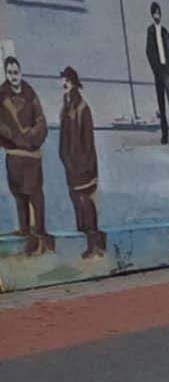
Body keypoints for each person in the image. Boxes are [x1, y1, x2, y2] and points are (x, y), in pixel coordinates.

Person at [1, 54, 53, 255]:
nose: (14, 76)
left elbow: (41, 123)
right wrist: (15, 138)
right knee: (18, 194)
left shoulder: (31, 95)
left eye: (16, 72)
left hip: (31, 156)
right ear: (6, 74)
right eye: (10, 73)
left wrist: (29, 138)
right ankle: (24, 231)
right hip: (13, 155)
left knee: (35, 195)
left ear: (20, 73)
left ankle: (40, 234)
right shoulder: (1, 96)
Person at [58, 67, 106, 259]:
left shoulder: (82, 108)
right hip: (71, 167)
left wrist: (82, 166)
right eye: (63, 80)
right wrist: (65, 159)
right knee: (78, 204)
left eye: (67, 81)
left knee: (86, 203)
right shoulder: (66, 107)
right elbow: (63, 140)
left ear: (74, 83)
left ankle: (95, 245)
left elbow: (88, 143)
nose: (64, 84)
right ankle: (90, 243)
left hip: (84, 167)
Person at [144, 1, 169, 145]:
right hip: (158, 71)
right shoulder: (150, 31)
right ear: (152, 15)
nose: (157, 16)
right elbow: (149, 51)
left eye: (159, 13)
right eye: (155, 13)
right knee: (162, 105)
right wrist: (155, 69)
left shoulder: (165, 31)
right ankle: (165, 134)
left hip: (167, 71)